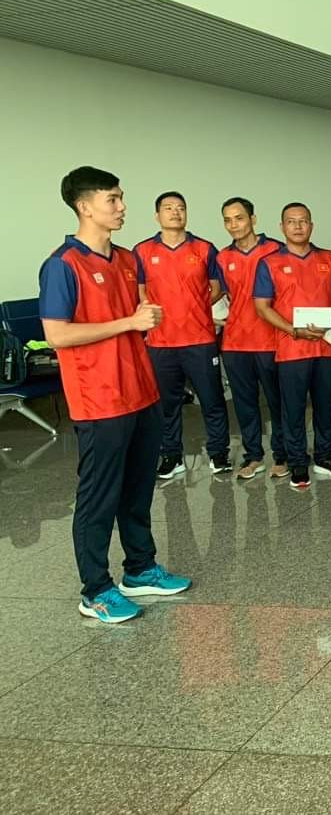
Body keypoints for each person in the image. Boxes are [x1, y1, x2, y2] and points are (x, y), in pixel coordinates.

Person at [39, 166, 192, 623]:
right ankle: (96, 590)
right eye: (113, 199)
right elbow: (57, 335)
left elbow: (132, 321)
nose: (122, 207)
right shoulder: (63, 265)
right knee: (98, 497)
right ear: (85, 206)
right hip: (99, 398)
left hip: (140, 391)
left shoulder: (127, 259)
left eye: (121, 197)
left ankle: (140, 569)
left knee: (138, 489)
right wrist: (129, 322)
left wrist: (142, 319)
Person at [131, 191, 231, 480]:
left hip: (200, 340)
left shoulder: (204, 248)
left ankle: (219, 453)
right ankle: (171, 456)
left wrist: (194, 308)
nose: (175, 212)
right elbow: (140, 290)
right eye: (168, 208)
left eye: (181, 208)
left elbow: (217, 287)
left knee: (212, 400)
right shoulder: (142, 251)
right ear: (157, 216)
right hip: (161, 342)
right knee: (166, 404)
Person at [253, 202, 331, 490]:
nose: (297, 226)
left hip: (325, 346)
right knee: (293, 408)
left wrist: (329, 323)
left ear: (311, 225)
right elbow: (262, 307)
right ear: (282, 227)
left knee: (325, 405)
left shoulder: (329, 259)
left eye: (303, 221)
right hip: (291, 348)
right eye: (291, 221)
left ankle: (325, 456)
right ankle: (297, 461)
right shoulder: (269, 263)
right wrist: (293, 330)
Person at [217, 197, 287, 480]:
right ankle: (253, 456)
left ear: (253, 219)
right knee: (244, 404)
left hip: (270, 340)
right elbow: (222, 294)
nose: (234, 225)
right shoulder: (222, 258)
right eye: (227, 220)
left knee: (278, 402)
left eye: (239, 218)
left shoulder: (276, 251)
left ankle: (283, 455)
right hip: (235, 342)